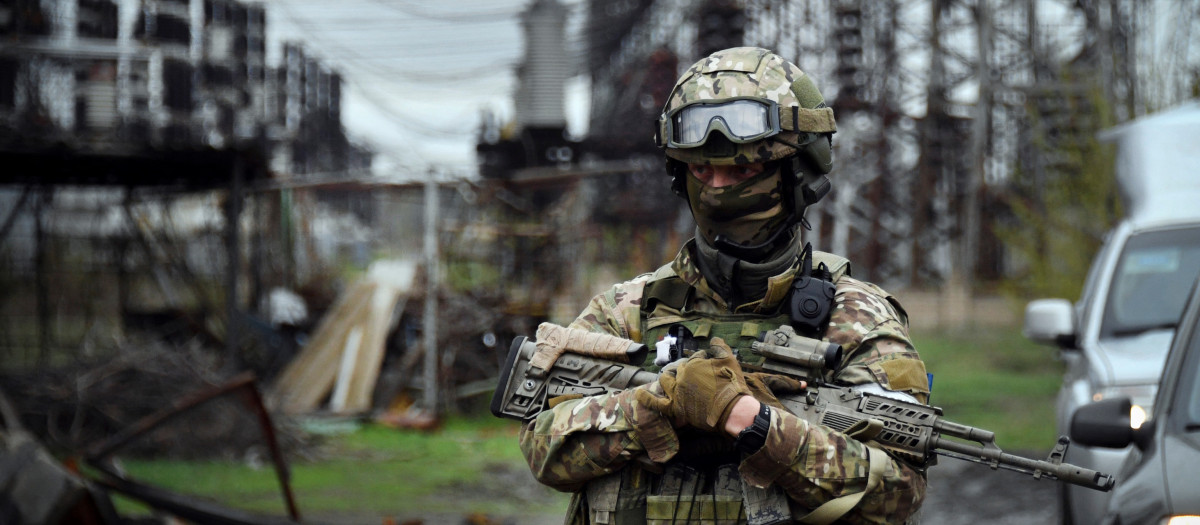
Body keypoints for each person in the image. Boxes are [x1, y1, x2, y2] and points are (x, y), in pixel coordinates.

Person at [519, 47, 930, 525]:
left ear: (798, 171)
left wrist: (754, 423)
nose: (719, 187)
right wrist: (658, 407)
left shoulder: (856, 318)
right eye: (701, 170)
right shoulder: (629, 309)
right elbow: (543, 446)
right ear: (680, 174)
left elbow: (899, 491)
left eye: (744, 171)